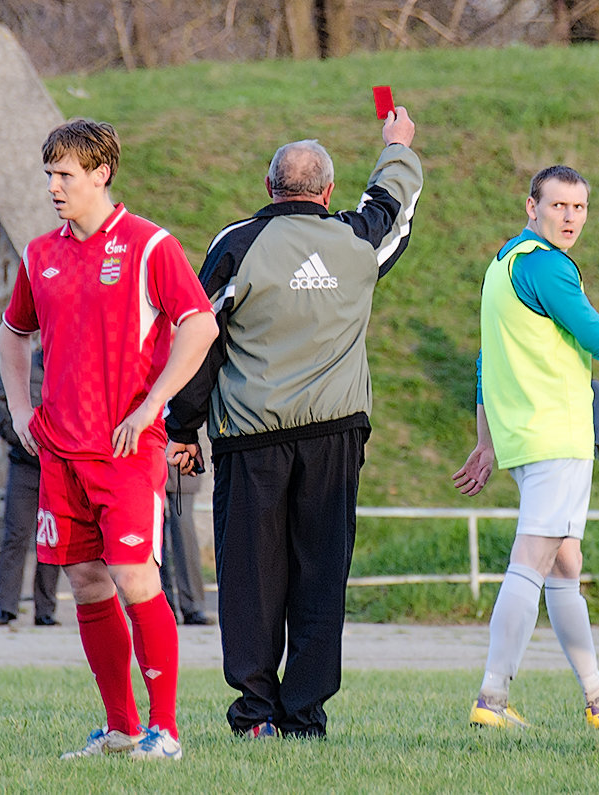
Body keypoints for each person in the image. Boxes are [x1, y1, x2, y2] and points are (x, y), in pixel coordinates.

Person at [163, 108, 422, 739]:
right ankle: (305, 716)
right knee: (320, 576)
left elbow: (201, 338)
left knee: (252, 579)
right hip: (336, 437)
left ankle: (255, 714)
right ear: (328, 192)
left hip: (252, 441)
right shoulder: (356, 242)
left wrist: (181, 427)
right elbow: (393, 206)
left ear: (269, 187)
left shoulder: (238, 243)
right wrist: (397, 146)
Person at [0, 118, 218, 761]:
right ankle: (121, 729)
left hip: (125, 450)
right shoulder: (40, 254)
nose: (54, 187)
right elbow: (13, 333)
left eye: (65, 175)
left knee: (132, 574)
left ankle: (166, 730)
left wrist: (153, 406)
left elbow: (198, 325)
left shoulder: (151, 245)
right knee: (88, 582)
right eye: (50, 175)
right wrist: (20, 409)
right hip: (60, 450)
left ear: (101, 174)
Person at [452, 165, 599, 731]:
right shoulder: (548, 267)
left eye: (579, 208)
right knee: (532, 562)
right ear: (531, 207)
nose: (569, 218)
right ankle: (491, 698)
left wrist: (486, 442)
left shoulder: (501, 264)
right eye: (558, 206)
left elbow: (486, 362)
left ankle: (598, 697)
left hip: (524, 439)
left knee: (565, 565)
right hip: (557, 436)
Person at [0, 349, 60, 627]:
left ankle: (46, 610)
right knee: (16, 535)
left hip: (57, 469)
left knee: (52, 539)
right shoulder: (20, 364)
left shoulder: (71, 366)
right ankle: (4, 607)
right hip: (24, 467)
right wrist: (24, 438)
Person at [159, 459, 215, 626]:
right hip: (148, 456)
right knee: (154, 536)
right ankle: (162, 605)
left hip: (180, 458)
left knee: (184, 532)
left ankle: (193, 606)